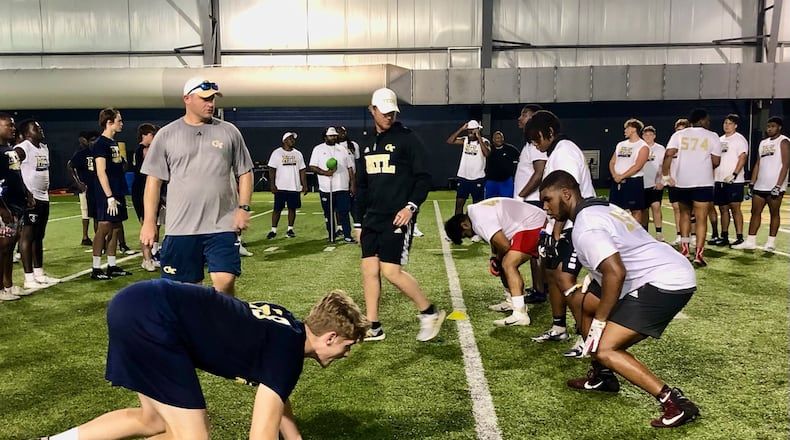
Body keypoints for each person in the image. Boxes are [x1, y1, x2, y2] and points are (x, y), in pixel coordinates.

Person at [35, 279, 369, 440]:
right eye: (348, 346)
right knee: (194, 437)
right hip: (155, 317)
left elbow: (279, 401)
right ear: (330, 338)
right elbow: (261, 434)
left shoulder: (288, 328)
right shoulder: (288, 353)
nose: (346, 353)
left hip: (135, 303)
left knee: (154, 422)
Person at [539, 170, 700, 429]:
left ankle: (674, 402)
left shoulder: (586, 226)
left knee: (605, 348)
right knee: (582, 303)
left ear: (566, 194)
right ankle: (603, 376)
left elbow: (615, 271)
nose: (545, 207)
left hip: (663, 281)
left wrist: (601, 320)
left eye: (548, 200)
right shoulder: (601, 208)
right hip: (651, 272)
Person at [140, 77, 254, 296]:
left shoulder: (229, 132)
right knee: (187, 292)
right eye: (204, 98)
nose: (210, 103)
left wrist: (243, 207)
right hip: (181, 228)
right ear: (187, 99)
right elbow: (153, 182)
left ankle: (225, 325)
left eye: (212, 98)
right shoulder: (167, 134)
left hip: (221, 225)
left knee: (225, 280)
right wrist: (149, 222)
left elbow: (245, 172)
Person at [353, 87, 445, 342]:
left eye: (392, 112)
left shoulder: (407, 139)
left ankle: (429, 312)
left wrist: (410, 207)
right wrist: (358, 221)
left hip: (397, 216)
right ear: (372, 110)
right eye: (383, 112)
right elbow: (361, 185)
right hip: (372, 217)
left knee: (391, 271)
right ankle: (373, 326)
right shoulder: (367, 143)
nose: (388, 116)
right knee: (368, 269)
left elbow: (423, 178)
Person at [523, 110, 595, 354]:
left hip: (576, 225)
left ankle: (587, 337)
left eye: (537, 138)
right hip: (564, 225)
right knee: (553, 274)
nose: (535, 144)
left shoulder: (564, 152)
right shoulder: (558, 151)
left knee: (565, 280)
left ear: (549, 133)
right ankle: (558, 327)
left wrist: (554, 233)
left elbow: (565, 197)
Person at [444, 197, 546, 326]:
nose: (469, 237)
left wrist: (497, 259)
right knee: (503, 263)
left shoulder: (479, 221)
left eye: (465, 234)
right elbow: (496, 238)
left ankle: (520, 314)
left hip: (533, 224)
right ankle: (512, 301)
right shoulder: (475, 213)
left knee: (508, 264)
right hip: (527, 223)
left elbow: (504, 245)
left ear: (464, 225)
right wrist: (494, 257)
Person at [661, 109, 721, 266]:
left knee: (684, 215)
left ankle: (685, 250)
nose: (708, 122)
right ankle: (699, 254)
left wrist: (666, 175)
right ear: (701, 120)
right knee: (701, 218)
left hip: (683, 182)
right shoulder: (712, 136)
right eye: (707, 120)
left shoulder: (679, 135)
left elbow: (668, 154)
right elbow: (716, 161)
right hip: (703, 182)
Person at [14, 119, 61, 289]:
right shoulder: (23, 148)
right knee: (27, 236)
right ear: (27, 133)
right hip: (30, 199)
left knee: (39, 236)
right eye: (36, 128)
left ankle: (39, 273)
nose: (41, 129)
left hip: (43, 197)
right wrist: (25, 193)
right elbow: (12, 169)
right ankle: (28, 278)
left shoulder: (43, 148)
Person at [732, 116, 790, 252]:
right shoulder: (763, 143)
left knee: (774, 213)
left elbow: (786, 164)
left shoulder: (784, 141)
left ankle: (770, 242)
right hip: (760, 185)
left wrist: (778, 185)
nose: (769, 129)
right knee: (755, 212)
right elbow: (758, 163)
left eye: (773, 126)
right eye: (768, 126)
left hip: (774, 185)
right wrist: (752, 183)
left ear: (779, 127)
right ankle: (750, 241)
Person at [89, 108, 134, 280]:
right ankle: (96, 267)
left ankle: (112, 265)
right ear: (109, 122)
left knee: (116, 228)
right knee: (104, 227)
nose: (121, 123)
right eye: (119, 120)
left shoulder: (113, 143)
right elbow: (101, 172)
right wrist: (109, 197)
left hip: (117, 189)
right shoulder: (100, 144)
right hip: (106, 193)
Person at [514, 104, 548, 303]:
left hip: (532, 202)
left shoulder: (536, 143)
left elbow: (539, 173)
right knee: (536, 248)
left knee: (535, 248)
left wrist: (521, 195)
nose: (520, 118)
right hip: (530, 201)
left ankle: (539, 290)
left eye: (524, 115)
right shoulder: (530, 144)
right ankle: (541, 285)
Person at [0, 113, 31, 301]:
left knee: (9, 247)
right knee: (2, 248)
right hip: (6, 206)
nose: (13, 129)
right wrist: (2, 209)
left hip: (17, 205)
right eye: (8, 126)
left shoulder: (9, 149)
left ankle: (9, 285)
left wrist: (27, 193)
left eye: (13, 126)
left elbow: (16, 176)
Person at [309, 127, 355, 243]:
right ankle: (331, 235)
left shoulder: (343, 149)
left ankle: (347, 235)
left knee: (344, 212)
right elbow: (312, 166)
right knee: (328, 213)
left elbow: (350, 168)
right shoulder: (318, 149)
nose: (334, 137)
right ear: (325, 137)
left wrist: (352, 184)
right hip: (326, 188)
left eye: (335, 135)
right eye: (331, 135)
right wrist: (325, 173)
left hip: (342, 186)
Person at [709, 114, 748, 247]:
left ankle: (739, 237)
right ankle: (724, 236)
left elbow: (742, 157)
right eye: (725, 123)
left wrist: (735, 174)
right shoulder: (719, 140)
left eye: (730, 123)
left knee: (735, 208)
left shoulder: (739, 139)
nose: (727, 125)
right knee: (723, 208)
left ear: (735, 125)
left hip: (734, 181)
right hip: (720, 180)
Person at [447, 120, 490, 221]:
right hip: (464, 178)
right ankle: (457, 229)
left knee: (477, 207)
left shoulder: (484, 141)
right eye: (469, 131)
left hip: (477, 178)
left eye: (473, 131)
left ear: (478, 130)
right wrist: (461, 129)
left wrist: (478, 137)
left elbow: (487, 154)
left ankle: (477, 230)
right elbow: (450, 141)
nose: (470, 133)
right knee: (459, 205)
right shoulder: (465, 140)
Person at [131, 123, 160, 272]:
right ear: (145, 135)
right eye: (152, 135)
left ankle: (152, 256)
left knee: (154, 224)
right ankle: (146, 259)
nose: (154, 138)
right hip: (141, 190)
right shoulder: (143, 150)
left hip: (148, 190)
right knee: (146, 225)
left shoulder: (146, 150)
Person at [267, 132, 308, 239]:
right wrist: (272, 185)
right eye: (290, 139)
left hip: (294, 186)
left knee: (292, 209)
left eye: (293, 139)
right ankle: (273, 230)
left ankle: (290, 229)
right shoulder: (277, 153)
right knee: (277, 209)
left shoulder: (298, 154)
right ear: (284, 140)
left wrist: (304, 185)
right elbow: (271, 169)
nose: (292, 140)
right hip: (280, 186)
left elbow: (302, 170)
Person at [608, 118, 649, 223]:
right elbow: (612, 162)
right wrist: (615, 176)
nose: (624, 131)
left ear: (633, 129)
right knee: (615, 210)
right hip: (617, 182)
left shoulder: (643, 146)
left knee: (635, 210)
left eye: (626, 128)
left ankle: (635, 235)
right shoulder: (620, 144)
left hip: (633, 182)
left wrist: (622, 176)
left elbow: (637, 166)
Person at [67, 131, 98, 246]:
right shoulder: (81, 153)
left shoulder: (99, 151)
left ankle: (98, 238)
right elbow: (70, 165)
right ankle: (85, 236)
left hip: (98, 187)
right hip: (86, 187)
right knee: (86, 212)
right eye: (92, 140)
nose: (94, 142)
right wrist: (78, 182)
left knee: (97, 215)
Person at [639, 126, 666, 241]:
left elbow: (663, 166)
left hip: (655, 184)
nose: (648, 137)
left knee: (656, 206)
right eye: (646, 135)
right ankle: (644, 233)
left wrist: (662, 181)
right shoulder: (639, 148)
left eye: (650, 135)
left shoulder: (660, 149)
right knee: (643, 210)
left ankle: (659, 233)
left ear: (654, 136)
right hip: (641, 183)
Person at [668, 118, 689, 245]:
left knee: (689, 210)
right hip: (674, 181)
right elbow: (667, 161)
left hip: (687, 181)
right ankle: (679, 234)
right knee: (676, 208)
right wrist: (669, 177)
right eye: (677, 130)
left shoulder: (690, 146)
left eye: (682, 130)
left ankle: (692, 235)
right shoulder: (673, 144)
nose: (679, 133)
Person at [484, 131, 520, 198]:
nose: (499, 140)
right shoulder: (488, 150)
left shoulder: (511, 149)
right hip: (491, 181)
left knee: (507, 202)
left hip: (506, 181)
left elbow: (519, 161)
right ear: (493, 140)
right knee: (490, 203)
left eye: (501, 138)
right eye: (497, 138)